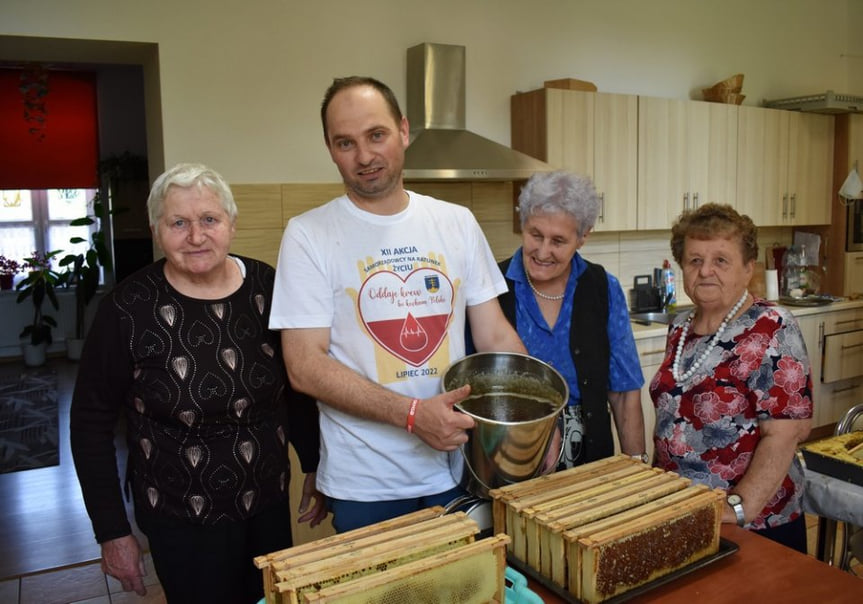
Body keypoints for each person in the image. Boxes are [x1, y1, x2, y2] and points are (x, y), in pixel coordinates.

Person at [269, 76, 526, 533]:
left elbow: (495, 336)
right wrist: (412, 416)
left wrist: (523, 422)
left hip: (458, 467)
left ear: (404, 131)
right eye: (345, 142)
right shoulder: (308, 234)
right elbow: (303, 364)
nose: (364, 156)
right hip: (365, 484)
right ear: (330, 148)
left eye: (376, 135)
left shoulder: (457, 223)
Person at [70, 163, 326, 603]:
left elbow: (297, 385)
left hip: (266, 503)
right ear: (156, 230)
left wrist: (315, 465)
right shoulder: (126, 310)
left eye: (209, 220)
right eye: (178, 223)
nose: (196, 236)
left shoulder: (267, 286)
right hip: (178, 517)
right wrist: (112, 531)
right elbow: (90, 422)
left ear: (231, 223)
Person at [651, 203, 813, 552]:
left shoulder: (772, 326)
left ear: (747, 269)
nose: (705, 271)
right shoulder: (680, 328)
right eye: (695, 260)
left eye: (720, 260)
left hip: (754, 526)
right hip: (683, 511)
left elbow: (785, 433)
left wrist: (738, 507)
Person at [494, 170, 646, 469]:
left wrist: (637, 467)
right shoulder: (493, 286)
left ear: (583, 236)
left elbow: (624, 393)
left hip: (591, 457)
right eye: (535, 234)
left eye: (558, 241)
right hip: (513, 453)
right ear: (523, 224)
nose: (543, 251)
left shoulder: (603, 287)